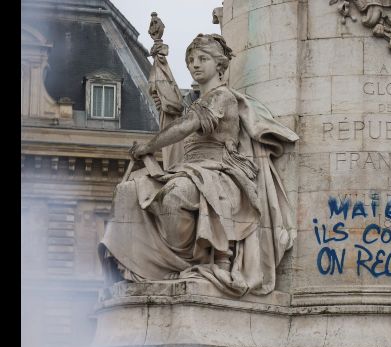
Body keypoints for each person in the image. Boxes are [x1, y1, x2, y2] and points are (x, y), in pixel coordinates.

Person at [98, 34, 299, 297]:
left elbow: (186, 126)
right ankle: (148, 266)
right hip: (191, 171)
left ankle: (186, 261)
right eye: (191, 60)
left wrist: (149, 146)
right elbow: (182, 122)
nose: (195, 64)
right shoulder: (194, 103)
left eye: (203, 59)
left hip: (220, 171)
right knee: (127, 191)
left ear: (220, 65)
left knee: (174, 195)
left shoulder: (222, 97)